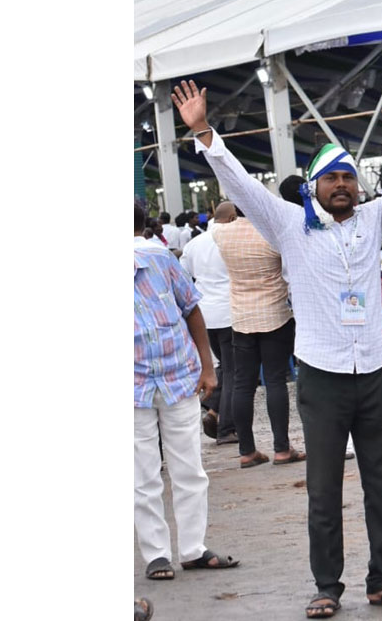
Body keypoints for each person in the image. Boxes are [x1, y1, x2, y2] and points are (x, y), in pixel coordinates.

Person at [173, 79, 382, 617]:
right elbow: (240, 186)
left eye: (348, 178)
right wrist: (202, 131)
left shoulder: (375, 220)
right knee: (323, 490)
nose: (342, 185)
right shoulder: (289, 225)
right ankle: (326, 587)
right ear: (313, 186)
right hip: (322, 374)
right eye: (331, 178)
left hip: (376, 372)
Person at [133, 202, 239, 581]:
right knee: (145, 472)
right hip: (133, 387)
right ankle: (158, 554)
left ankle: (191, 548)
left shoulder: (161, 260)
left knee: (183, 468)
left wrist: (207, 367)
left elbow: (192, 308)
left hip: (178, 376)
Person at [210, 203, 302, 469]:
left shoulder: (221, 234)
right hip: (275, 315)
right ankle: (282, 449)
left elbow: (215, 223)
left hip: (241, 319)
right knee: (274, 380)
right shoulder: (272, 233)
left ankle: (247, 451)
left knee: (242, 384)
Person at [180, 201, 238, 445]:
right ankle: (226, 428)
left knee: (224, 366)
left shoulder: (194, 244)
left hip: (204, 315)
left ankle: (213, 408)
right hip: (230, 312)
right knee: (235, 371)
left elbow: (184, 275)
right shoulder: (230, 241)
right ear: (233, 217)